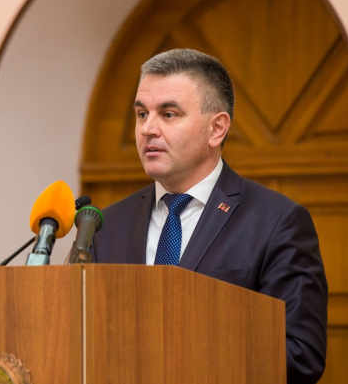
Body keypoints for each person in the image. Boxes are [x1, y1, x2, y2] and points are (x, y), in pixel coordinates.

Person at [92, 49, 328, 384]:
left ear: (216, 129)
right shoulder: (106, 225)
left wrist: (185, 349)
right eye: (142, 114)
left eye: (168, 114)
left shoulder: (277, 222)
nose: (148, 129)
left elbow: (301, 357)